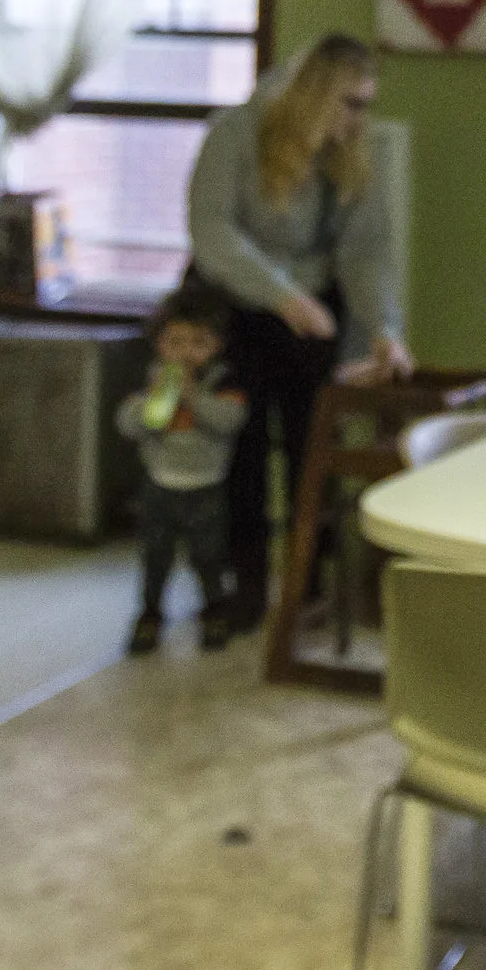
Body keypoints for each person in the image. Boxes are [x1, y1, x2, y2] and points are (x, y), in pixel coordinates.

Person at [185, 32, 413, 632]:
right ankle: (244, 587)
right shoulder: (235, 134)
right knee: (244, 445)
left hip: (309, 306)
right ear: (316, 96)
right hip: (237, 301)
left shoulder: (350, 156)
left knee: (313, 444)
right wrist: (278, 293)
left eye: (367, 103)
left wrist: (385, 328)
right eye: (351, 103)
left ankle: (306, 585)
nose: (361, 118)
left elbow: (366, 254)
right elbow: (213, 234)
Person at [115, 282, 245, 655]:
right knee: (155, 556)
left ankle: (214, 610)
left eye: (198, 343)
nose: (185, 353)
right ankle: (150, 613)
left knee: (209, 555)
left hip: (207, 487)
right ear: (160, 344)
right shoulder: (151, 382)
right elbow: (128, 424)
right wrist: (155, 403)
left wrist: (193, 397)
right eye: (175, 342)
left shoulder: (221, 384)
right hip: (160, 486)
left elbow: (229, 420)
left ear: (216, 346)